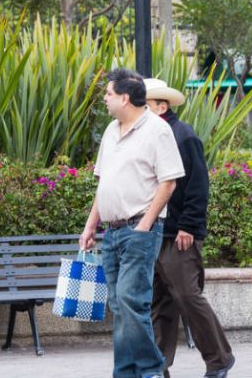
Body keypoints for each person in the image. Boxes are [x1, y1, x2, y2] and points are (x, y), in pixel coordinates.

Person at [79, 69, 185, 378]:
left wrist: (144, 226)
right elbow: (105, 184)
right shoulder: (112, 131)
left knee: (131, 300)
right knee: (120, 305)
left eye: (108, 94)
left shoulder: (157, 130)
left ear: (125, 98)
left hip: (139, 228)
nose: (104, 98)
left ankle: (152, 369)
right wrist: (90, 226)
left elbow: (169, 183)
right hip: (111, 232)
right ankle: (125, 373)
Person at [143, 79, 235, 378]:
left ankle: (219, 359)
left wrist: (189, 227)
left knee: (186, 296)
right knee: (159, 302)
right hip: (155, 232)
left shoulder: (182, 136)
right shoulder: (151, 136)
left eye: (145, 105)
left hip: (177, 234)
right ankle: (158, 368)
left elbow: (198, 186)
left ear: (161, 106)